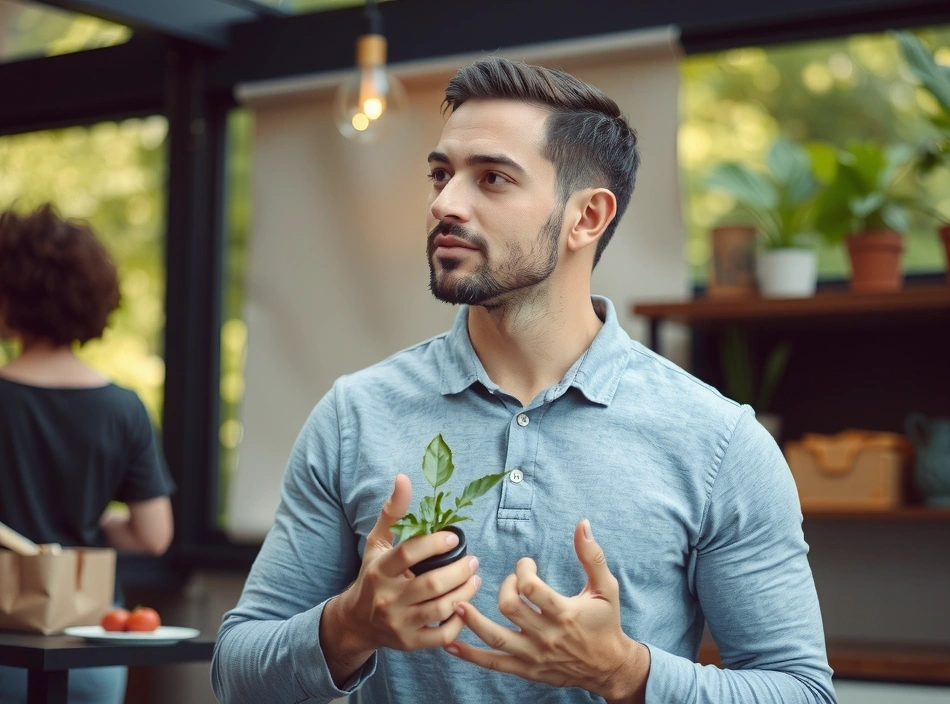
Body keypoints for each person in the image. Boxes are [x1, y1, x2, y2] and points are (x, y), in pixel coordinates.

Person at [212, 57, 836, 704]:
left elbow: (801, 693)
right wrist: (348, 625)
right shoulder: (355, 415)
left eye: (492, 178)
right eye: (440, 174)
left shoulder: (719, 444)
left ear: (587, 218)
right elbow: (236, 674)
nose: (444, 204)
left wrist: (626, 672)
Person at [0, 204, 175, 704]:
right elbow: (153, 533)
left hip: (7, 646)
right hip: (91, 645)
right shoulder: (124, 409)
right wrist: (89, 522)